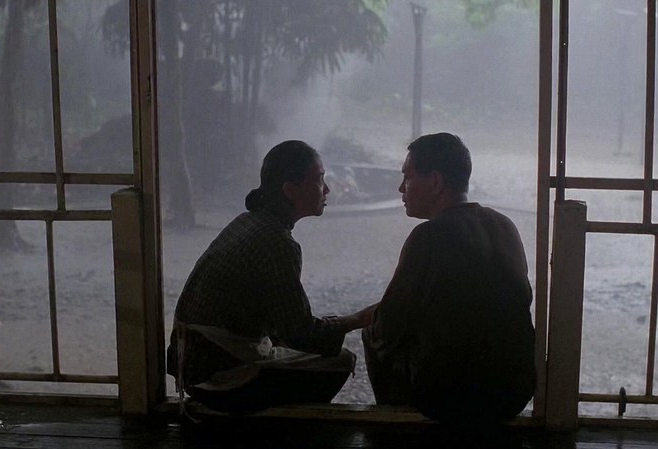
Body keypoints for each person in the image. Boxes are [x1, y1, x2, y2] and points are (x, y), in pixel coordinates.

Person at [167, 140, 375, 413]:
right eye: (319, 179)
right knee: (341, 361)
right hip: (218, 376)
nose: (326, 189)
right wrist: (359, 319)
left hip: (191, 364)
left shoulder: (247, 221)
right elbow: (300, 333)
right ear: (290, 190)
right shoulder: (277, 242)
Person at [363, 132, 536, 423]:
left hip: (449, 396)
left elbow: (388, 325)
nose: (401, 188)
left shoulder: (428, 236)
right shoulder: (504, 225)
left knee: (372, 334)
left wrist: (357, 321)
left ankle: (396, 426)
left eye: (407, 177)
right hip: (514, 390)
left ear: (435, 182)